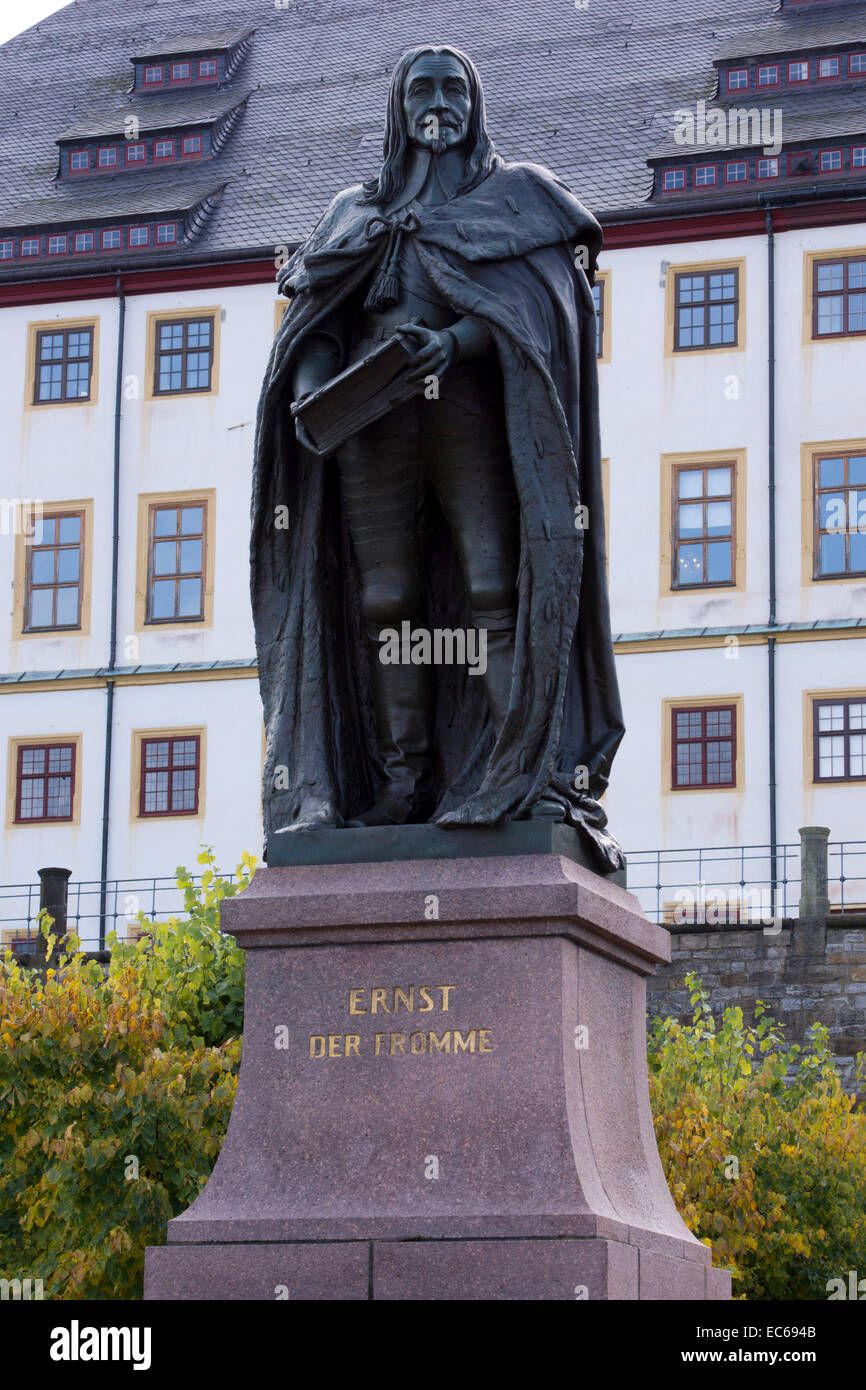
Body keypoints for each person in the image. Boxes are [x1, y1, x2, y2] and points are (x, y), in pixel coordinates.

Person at [252, 43, 625, 872]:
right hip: (371, 421)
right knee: (387, 601)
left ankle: (520, 773)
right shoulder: (355, 210)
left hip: (466, 411)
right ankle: (400, 783)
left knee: (494, 584)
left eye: (453, 88)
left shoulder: (518, 198)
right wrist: (319, 390)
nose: (438, 101)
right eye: (422, 88)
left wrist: (453, 341)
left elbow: (541, 317)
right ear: (398, 106)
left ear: (475, 104)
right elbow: (317, 324)